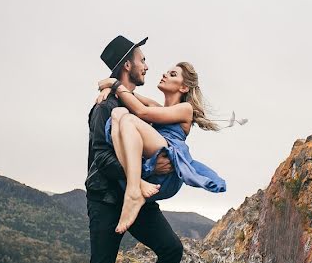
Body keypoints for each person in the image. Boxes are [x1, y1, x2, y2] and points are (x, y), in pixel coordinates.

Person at [56, 35, 185, 263]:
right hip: (106, 201)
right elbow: (101, 156)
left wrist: (156, 168)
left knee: (172, 250)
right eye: (142, 60)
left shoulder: (128, 103)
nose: (146, 66)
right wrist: (138, 177)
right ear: (127, 64)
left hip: (135, 197)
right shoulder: (103, 108)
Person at [95, 60, 226, 234]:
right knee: (118, 113)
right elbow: (126, 92)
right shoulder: (156, 106)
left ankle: (133, 192)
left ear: (184, 88)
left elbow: (141, 111)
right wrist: (108, 88)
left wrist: (113, 84)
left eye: (172, 74)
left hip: (167, 168)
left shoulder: (185, 108)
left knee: (128, 119)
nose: (164, 74)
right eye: (167, 72)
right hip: (150, 171)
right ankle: (136, 183)